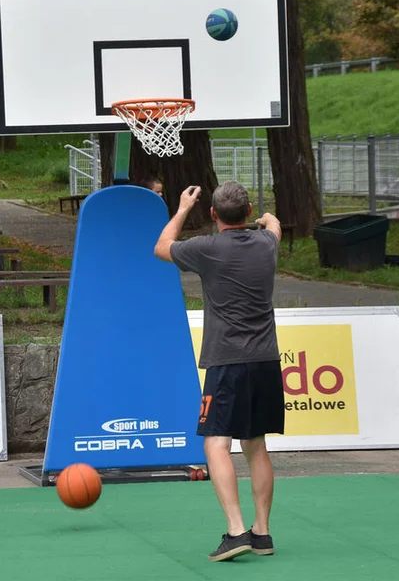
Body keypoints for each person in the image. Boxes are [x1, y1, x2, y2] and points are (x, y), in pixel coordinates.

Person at [154, 180, 284, 562]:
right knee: (255, 444)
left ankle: (235, 530)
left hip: (227, 362)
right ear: (246, 213)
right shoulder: (267, 243)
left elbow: (161, 247)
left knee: (215, 443)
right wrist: (266, 217)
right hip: (265, 360)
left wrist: (180, 209)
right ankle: (262, 532)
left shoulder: (207, 249)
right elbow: (273, 224)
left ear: (212, 215)